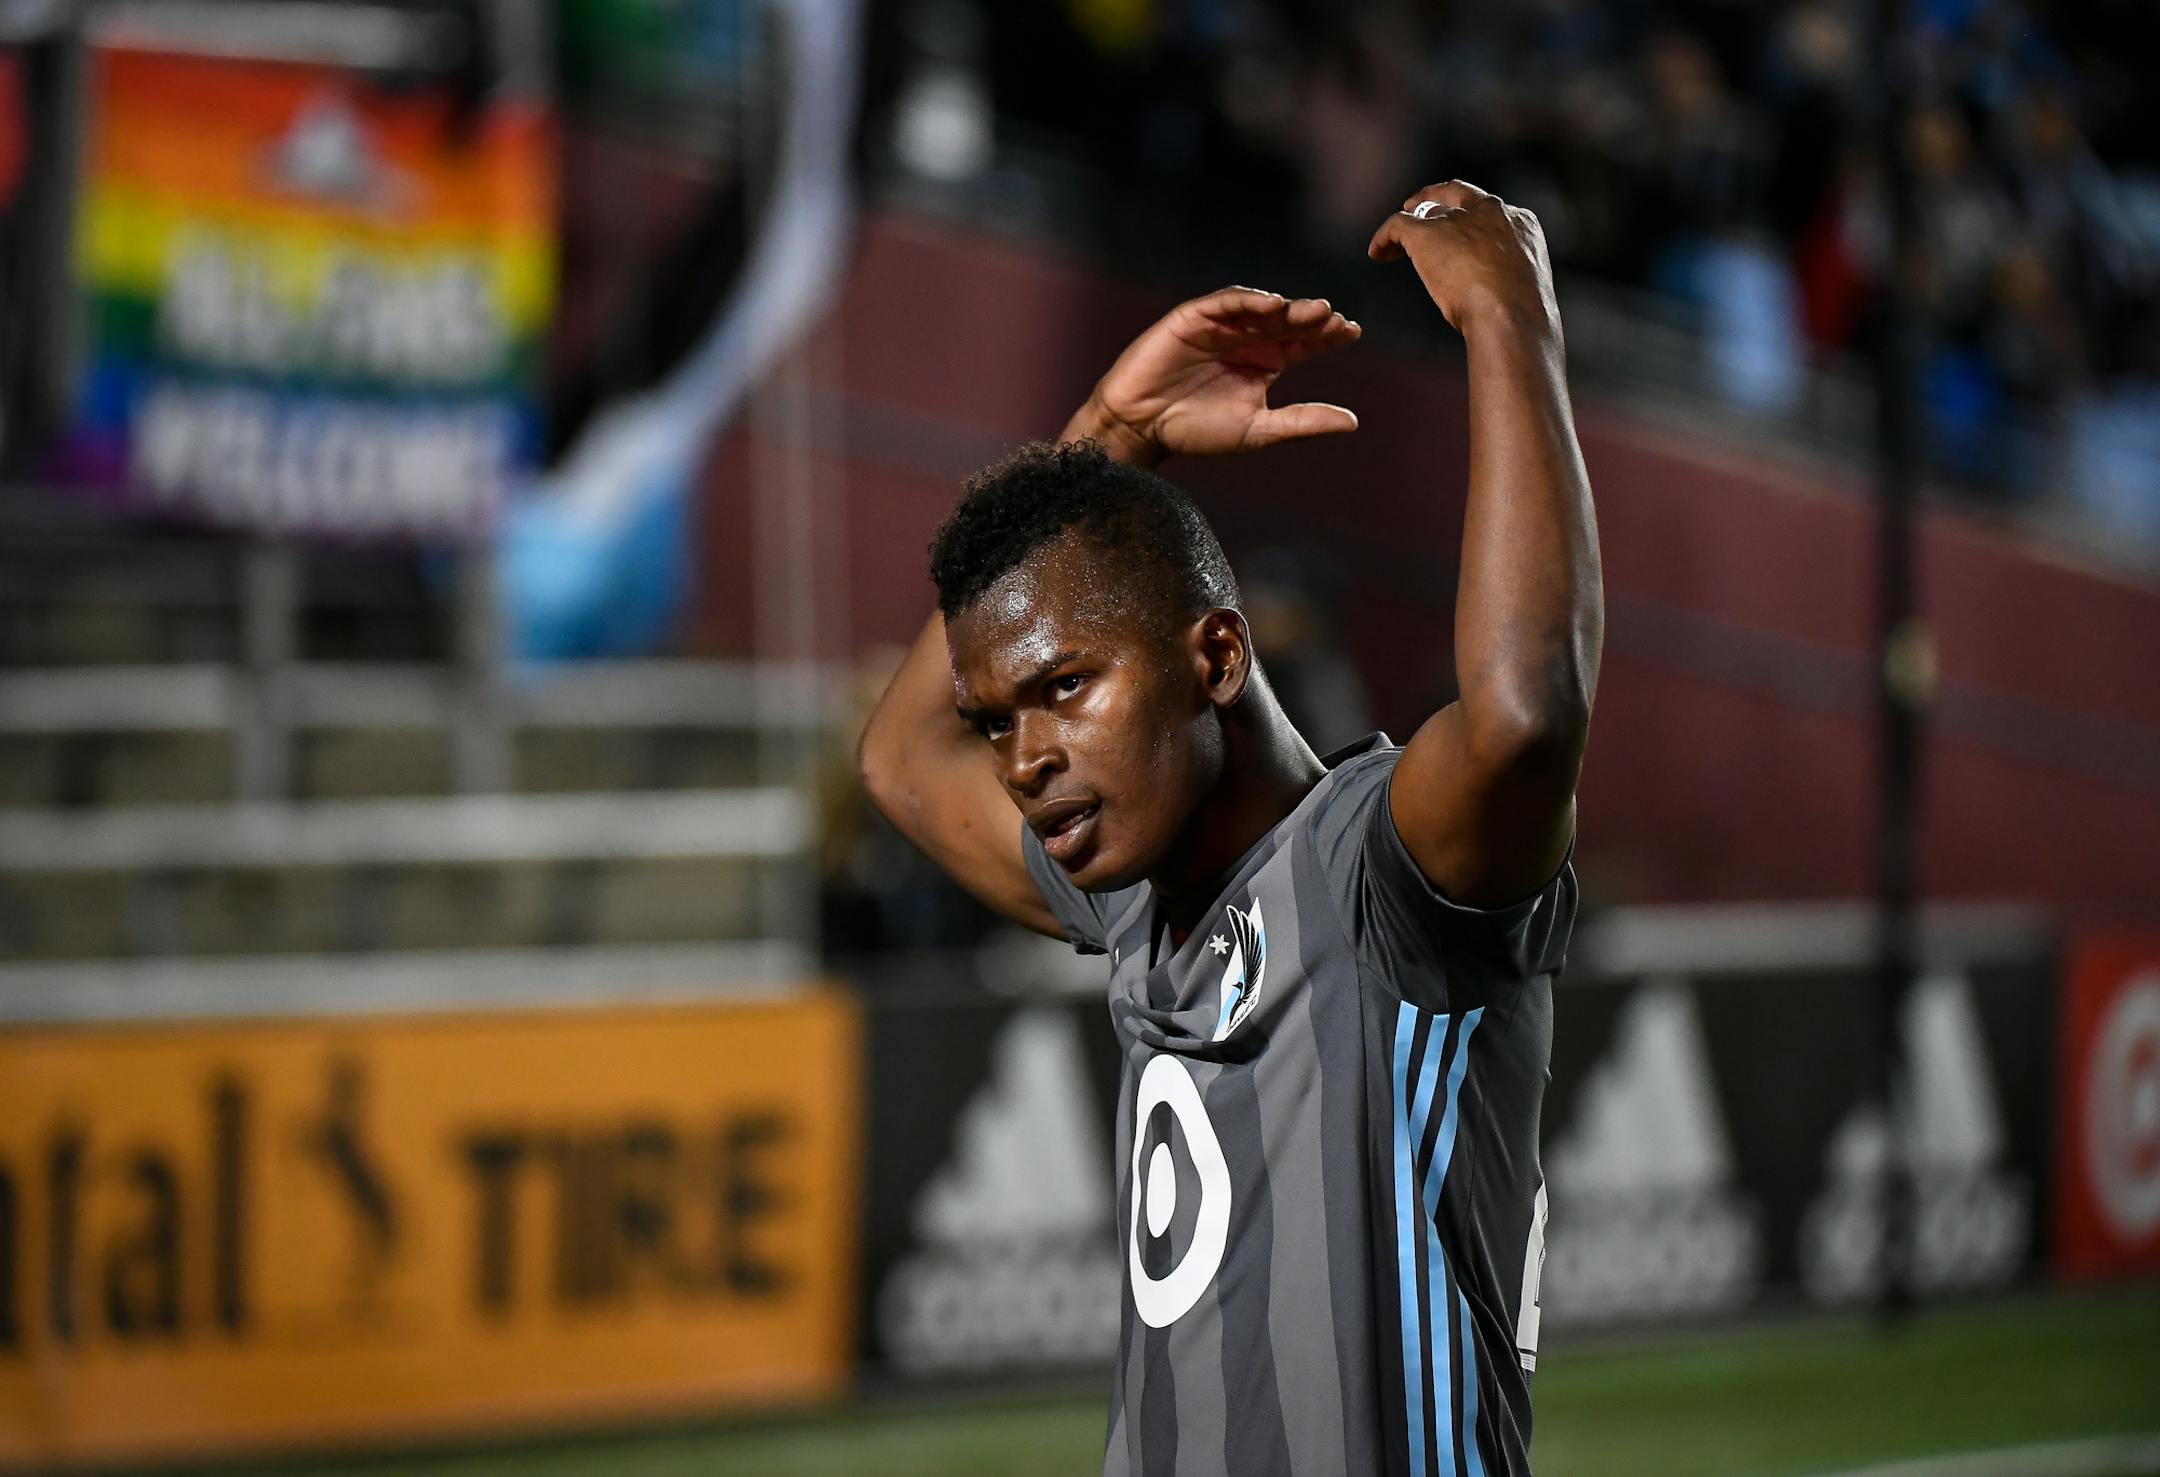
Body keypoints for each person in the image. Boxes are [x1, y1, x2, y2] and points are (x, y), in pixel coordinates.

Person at [858, 179, 1603, 1477]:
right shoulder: (1133, 895)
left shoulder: (1389, 881)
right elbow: (903, 755)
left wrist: (1508, 318)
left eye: (1065, 688)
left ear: (1212, 656)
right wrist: (1109, 435)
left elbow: (1526, 716)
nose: (1027, 758)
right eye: (1002, 721)